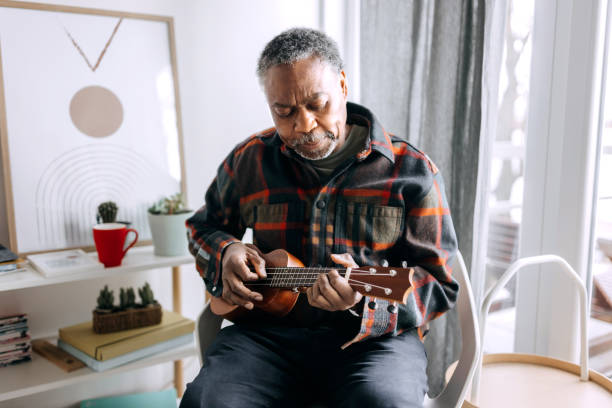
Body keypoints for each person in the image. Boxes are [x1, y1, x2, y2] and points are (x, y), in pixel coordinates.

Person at [181, 27, 458, 408]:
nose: (304, 125)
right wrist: (226, 251)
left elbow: (438, 283)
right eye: (285, 112)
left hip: (372, 344)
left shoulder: (410, 170)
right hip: (266, 339)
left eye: (317, 104)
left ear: (342, 85)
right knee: (209, 401)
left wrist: (362, 300)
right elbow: (202, 227)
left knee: (384, 403)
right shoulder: (250, 161)